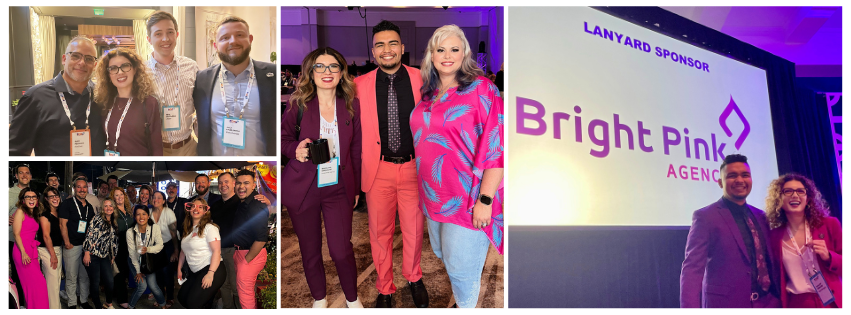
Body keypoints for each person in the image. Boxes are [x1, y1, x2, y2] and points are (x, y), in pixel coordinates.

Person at [411, 25, 505, 308]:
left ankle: (466, 306)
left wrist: (485, 200)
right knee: (443, 254)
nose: (447, 55)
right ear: (431, 55)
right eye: (440, 49)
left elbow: (496, 149)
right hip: (433, 197)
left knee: (461, 270)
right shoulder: (428, 93)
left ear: (465, 53)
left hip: (467, 199)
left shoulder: (483, 89)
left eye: (455, 49)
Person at [352, 20, 428, 308]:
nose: (387, 49)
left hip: (414, 168)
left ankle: (414, 277)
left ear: (402, 48)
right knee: (379, 233)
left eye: (392, 43)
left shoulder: (423, 79)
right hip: (378, 169)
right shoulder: (358, 85)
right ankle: (385, 287)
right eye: (381, 45)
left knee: (413, 229)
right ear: (373, 52)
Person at [282, 47, 363, 308]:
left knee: (341, 249)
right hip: (303, 187)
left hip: (338, 185)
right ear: (310, 72)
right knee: (310, 249)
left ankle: (352, 298)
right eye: (320, 66)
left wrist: (356, 188)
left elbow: (356, 150)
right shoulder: (298, 105)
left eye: (333, 66)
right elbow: (283, 140)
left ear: (342, 72)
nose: (327, 72)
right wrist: (295, 150)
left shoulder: (351, 105)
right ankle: (320, 297)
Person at [680, 154, 780, 308]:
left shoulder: (761, 216)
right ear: (720, 183)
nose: (739, 180)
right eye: (732, 176)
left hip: (767, 303)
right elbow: (692, 270)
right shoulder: (705, 217)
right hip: (727, 304)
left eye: (745, 175)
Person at [10, 35, 107, 156]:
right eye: (75, 56)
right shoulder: (35, 97)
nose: (82, 63)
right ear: (64, 59)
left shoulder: (101, 95)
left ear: (95, 65)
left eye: (89, 59)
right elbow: (15, 150)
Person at [194, 16, 276, 156]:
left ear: (250, 39)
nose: (233, 41)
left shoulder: (272, 75)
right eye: (225, 38)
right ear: (216, 45)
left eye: (239, 35)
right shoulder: (202, 79)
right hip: (216, 163)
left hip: (262, 167)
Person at [765, 174, 842, 308]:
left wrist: (829, 257)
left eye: (800, 191)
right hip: (796, 304)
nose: (795, 195)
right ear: (779, 199)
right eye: (788, 191)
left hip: (831, 301)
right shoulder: (773, 237)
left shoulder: (830, 225)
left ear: (808, 199)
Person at [145, 10, 200, 156]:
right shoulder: (140, 72)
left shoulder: (192, 67)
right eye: (158, 34)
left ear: (177, 34)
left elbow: (201, 107)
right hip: (155, 150)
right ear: (149, 39)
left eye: (170, 32)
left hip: (188, 148)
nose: (165, 39)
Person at [93, 47, 163, 156]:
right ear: (108, 74)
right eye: (113, 68)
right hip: (113, 170)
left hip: (140, 170)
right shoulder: (105, 102)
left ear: (135, 69)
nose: (120, 72)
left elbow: (157, 147)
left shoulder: (149, 103)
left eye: (125, 66)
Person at [177, 199, 227, 308]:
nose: (196, 209)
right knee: (182, 297)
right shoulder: (188, 230)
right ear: (189, 209)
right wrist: (179, 269)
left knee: (192, 303)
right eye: (193, 206)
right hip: (196, 272)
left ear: (205, 211)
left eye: (200, 207)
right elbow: (182, 252)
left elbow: (216, 252)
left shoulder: (210, 228)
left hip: (212, 269)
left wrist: (210, 273)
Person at [231, 169, 269, 309]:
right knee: (245, 293)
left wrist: (246, 261)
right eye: (239, 183)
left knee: (245, 295)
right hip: (241, 252)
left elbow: (261, 239)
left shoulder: (256, 204)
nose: (242, 186)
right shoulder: (244, 201)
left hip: (251, 254)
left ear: (254, 185)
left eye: (246, 183)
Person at [59, 177, 96, 308]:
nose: (82, 189)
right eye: (79, 187)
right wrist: (67, 242)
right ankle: (72, 304)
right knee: (71, 276)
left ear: (87, 189)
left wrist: (89, 247)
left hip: (85, 248)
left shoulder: (90, 207)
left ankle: (84, 301)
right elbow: (62, 224)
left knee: (84, 276)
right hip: (72, 246)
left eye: (84, 187)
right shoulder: (67, 204)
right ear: (74, 189)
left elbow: (91, 228)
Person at [12, 188, 50, 309]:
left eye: (34, 197)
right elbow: (16, 234)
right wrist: (23, 252)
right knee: (36, 286)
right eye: (28, 197)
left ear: (37, 199)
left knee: (36, 286)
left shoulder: (33, 213)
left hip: (31, 251)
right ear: (23, 200)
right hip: (22, 251)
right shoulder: (20, 212)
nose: (31, 199)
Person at [127, 205, 166, 309]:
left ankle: (163, 305)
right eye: (138, 214)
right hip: (134, 260)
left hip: (149, 260)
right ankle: (130, 307)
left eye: (144, 214)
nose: (141, 217)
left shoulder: (155, 228)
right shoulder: (130, 232)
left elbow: (160, 245)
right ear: (135, 216)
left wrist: (148, 249)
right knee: (142, 286)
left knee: (153, 285)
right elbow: (132, 254)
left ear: (148, 216)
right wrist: (138, 271)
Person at [83, 198, 119, 309]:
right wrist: (87, 252)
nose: (108, 208)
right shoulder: (97, 218)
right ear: (103, 208)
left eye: (110, 206)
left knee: (109, 281)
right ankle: (98, 307)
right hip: (93, 255)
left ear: (113, 208)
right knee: (95, 282)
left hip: (104, 256)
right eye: (106, 206)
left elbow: (113, 240)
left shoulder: (113, 220)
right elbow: (89, 235)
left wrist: (113, 255)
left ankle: (108, 303)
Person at [151, 191, 179, 307]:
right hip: (155, 247)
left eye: (159, 198)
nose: (156, 199)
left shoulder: (169, 213)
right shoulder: (148, 212)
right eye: (154, 197)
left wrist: (176, 251)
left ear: (163, 201)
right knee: (158, 273)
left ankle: (170, 298)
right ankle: (160, 297)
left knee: (167, 273)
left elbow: (173, 234)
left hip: (168, 245)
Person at [37, 187, 64, 309]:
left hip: (58, 249)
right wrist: (52, 255)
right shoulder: (44, 215)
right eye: (51, 196)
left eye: (56, 195)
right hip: (48, 251)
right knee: (52, 285)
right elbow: (46, 236)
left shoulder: (60, 213)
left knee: (56, 283)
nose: (55, 198)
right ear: (46, 199)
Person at [9, 164, 31, 305]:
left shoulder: (33, 193)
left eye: (27, 173)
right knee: (17, 275)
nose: (24, 175)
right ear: (16, 176)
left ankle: (28, 303)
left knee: (28, 275)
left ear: (30, 176)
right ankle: (20, 304)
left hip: (29, 241)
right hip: (12, 239)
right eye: (21, 173)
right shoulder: (8, 192)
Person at [109, 187, 134, 308]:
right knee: (119, 272)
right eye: (117, 195)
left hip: (129, 246)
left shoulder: (128, 211)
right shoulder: (112, 212)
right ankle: (122, 299)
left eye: (121, 195)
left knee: (125, 272)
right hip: (117, 246)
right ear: (113, 198)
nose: (119, 197)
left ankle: (115, 293)